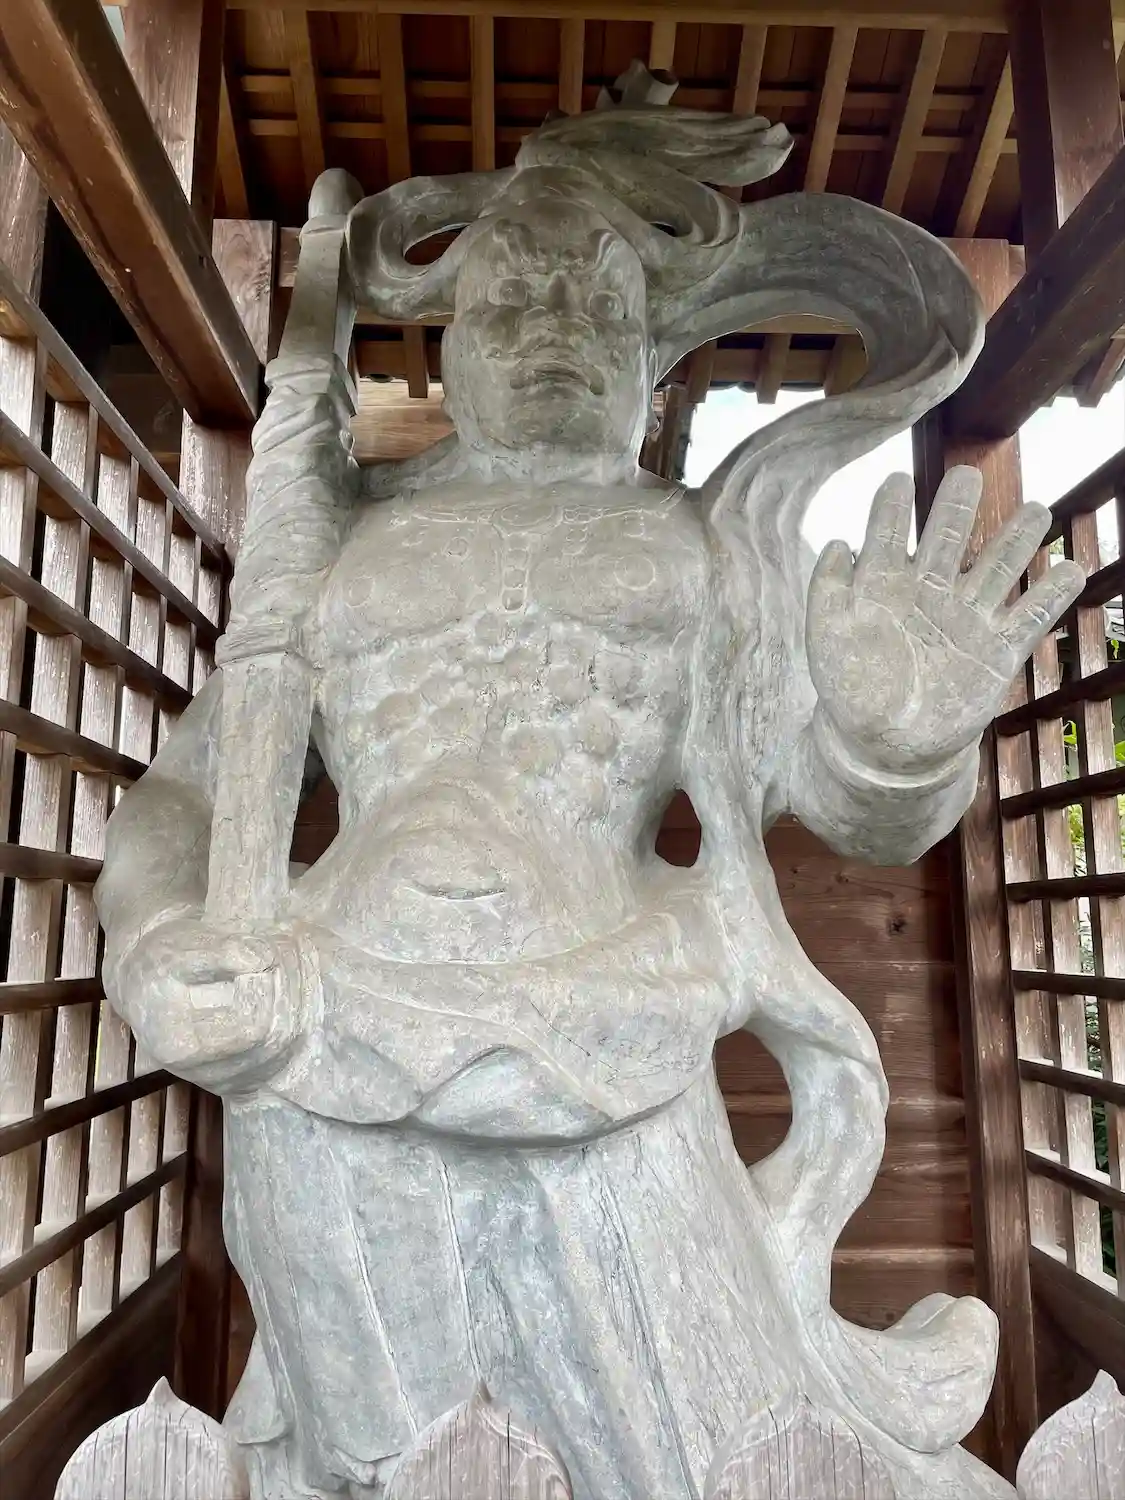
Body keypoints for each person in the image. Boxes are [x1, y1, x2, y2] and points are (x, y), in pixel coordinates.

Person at [95, 71, 1075, 1500]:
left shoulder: (702, 551)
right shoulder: (338, 548)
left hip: (613, 1042)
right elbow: (181, 797)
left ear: (654, 352)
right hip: (321, 1039)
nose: (553, 325)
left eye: (598, 302)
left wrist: (892, 742)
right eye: (512, 295)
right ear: (447, 334)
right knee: (368, 1458)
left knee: (693, 1446)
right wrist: (154, 940)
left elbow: (847, 800)